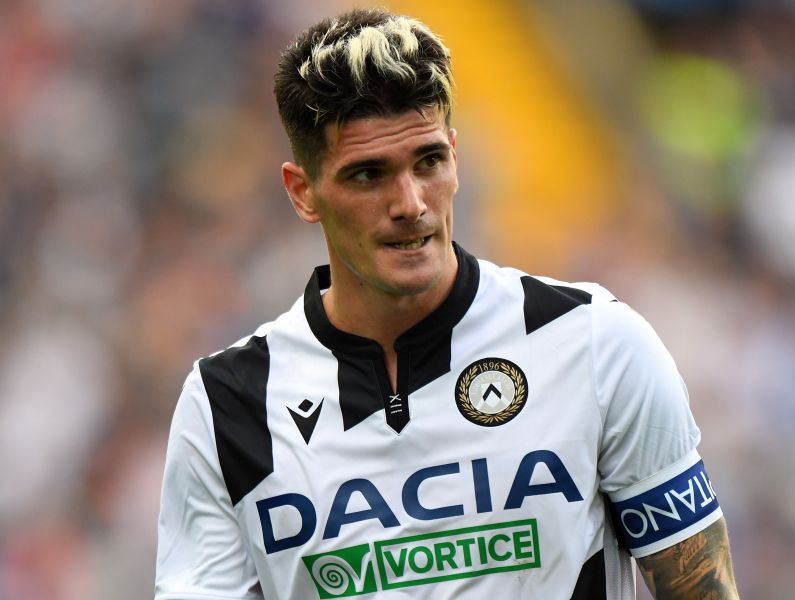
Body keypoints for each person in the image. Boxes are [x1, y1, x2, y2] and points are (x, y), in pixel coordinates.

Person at [154, 8, 739, 599]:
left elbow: (703, 590)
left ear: (456, 158)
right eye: (367, 175)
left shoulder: (594, 343)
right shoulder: (227, 403)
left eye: (428, 161)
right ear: (303, 192)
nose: (410, 203)